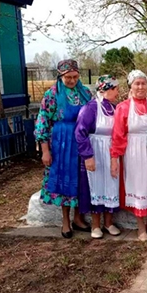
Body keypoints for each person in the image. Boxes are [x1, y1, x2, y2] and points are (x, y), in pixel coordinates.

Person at [35, 59, 92, 238]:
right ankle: (66, 221)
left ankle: (79, 218)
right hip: (62, 143)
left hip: (82, 141)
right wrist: (45, 150)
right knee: (64, 181)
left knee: (82, 178)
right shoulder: (51, 94)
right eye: (68, 77)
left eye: (75, 76)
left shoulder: (85, 93)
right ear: (60, 76)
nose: (72, 80)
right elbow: (42, 122)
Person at [110, 70, 147, 241]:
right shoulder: (123, 107)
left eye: (143, 83)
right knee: (138, 187)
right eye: (137, 83)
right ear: (130, 86)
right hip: (133, 153)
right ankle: (140, 227)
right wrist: (114, 158)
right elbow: (118, 135)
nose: (141, 87)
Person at [75, 75, 121, 239]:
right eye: (115, 88)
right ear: (107, 89)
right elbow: (80, 133)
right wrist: (88, 156)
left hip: (111, 152)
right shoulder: (91, 108)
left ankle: (108, 223)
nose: (118, 92)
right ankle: (95, 225)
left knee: (111, 185)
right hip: (96, 151)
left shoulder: (115, 108)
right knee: (96, 186)